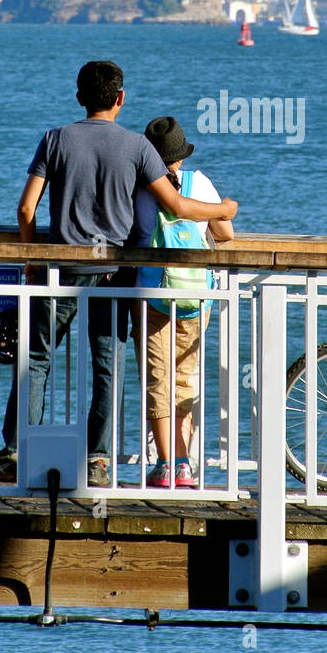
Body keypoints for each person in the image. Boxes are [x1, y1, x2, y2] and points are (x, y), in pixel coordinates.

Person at [0, 62, 237, 487]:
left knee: (37, 360)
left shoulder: (54, 139)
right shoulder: (138, 147)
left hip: (60, 269)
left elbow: (26, 209)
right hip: (114, 274)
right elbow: (177, 206)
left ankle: (15, 454)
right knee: (105, 367)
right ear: (121, 98)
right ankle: (97, 461)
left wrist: (30, 257)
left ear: (79, 96)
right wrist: (225, 210)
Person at [133, 116, 233, 488]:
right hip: (195, 297)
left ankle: (163, 464)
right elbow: (225, 235)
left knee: (158, 378)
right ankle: (184, 465)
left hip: (153, 294)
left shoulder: (141, 188)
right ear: (181, 154)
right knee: (184, 381)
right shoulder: (200, 183)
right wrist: (223, 209)